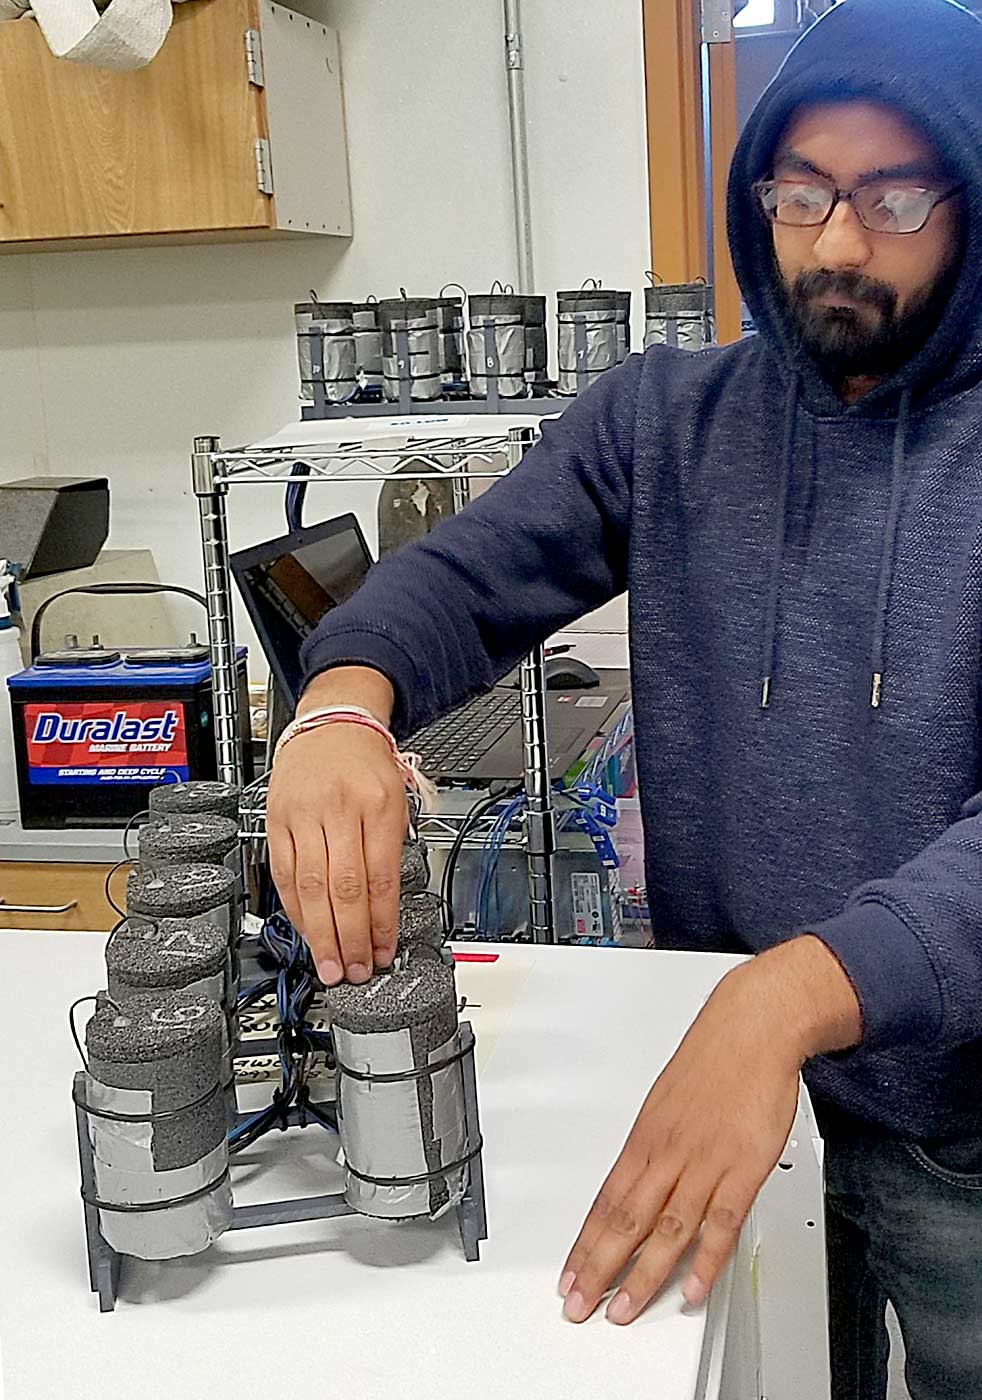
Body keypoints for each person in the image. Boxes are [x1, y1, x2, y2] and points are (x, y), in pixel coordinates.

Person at [266, 1, 982, 1395]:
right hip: (740, 1105)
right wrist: (341, 703)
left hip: (956, 1125)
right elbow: (459, 580)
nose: (835, 241)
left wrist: (788, 996)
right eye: (801, 192)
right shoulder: (665, 421)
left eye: (893, 196)